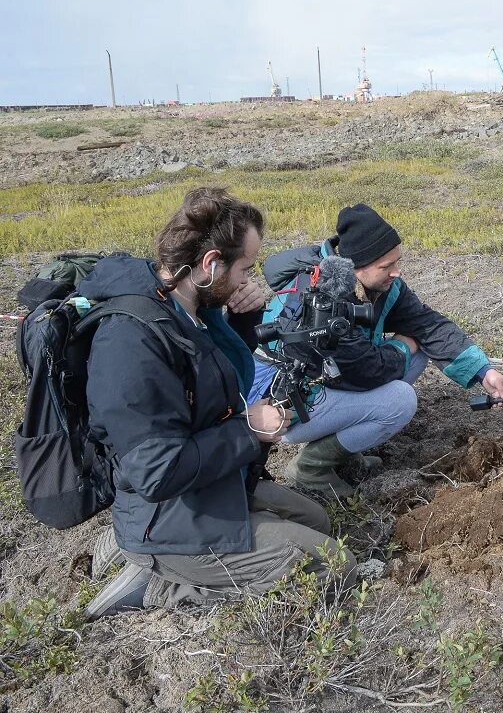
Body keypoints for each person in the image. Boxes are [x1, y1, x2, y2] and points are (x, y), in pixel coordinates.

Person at [84, 187, 354, 619]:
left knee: (317, 522)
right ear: (210, 265)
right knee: (335, 564)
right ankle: (160, 586)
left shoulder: (186, 306)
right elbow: (158, 471)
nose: (249, 280)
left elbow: (212, 382)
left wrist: (243, 320)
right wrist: (250, 429)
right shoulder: (131, 343)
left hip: (206, 488)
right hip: (166, 514)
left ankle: (156, 559)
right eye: (245, 268)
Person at [256, 203, 503, 497]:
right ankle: (312, 467)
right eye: (386, 266)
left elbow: (426, 323)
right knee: (400, 401)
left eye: (397, 262)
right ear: (355, 266)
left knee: (420, 346)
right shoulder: (323, 296)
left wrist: (484, 372)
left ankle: (345, 446)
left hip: (330, 380)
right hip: (287, 408)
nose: (396, 272)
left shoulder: (380, 285)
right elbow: (366, 372)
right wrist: (402, 346)